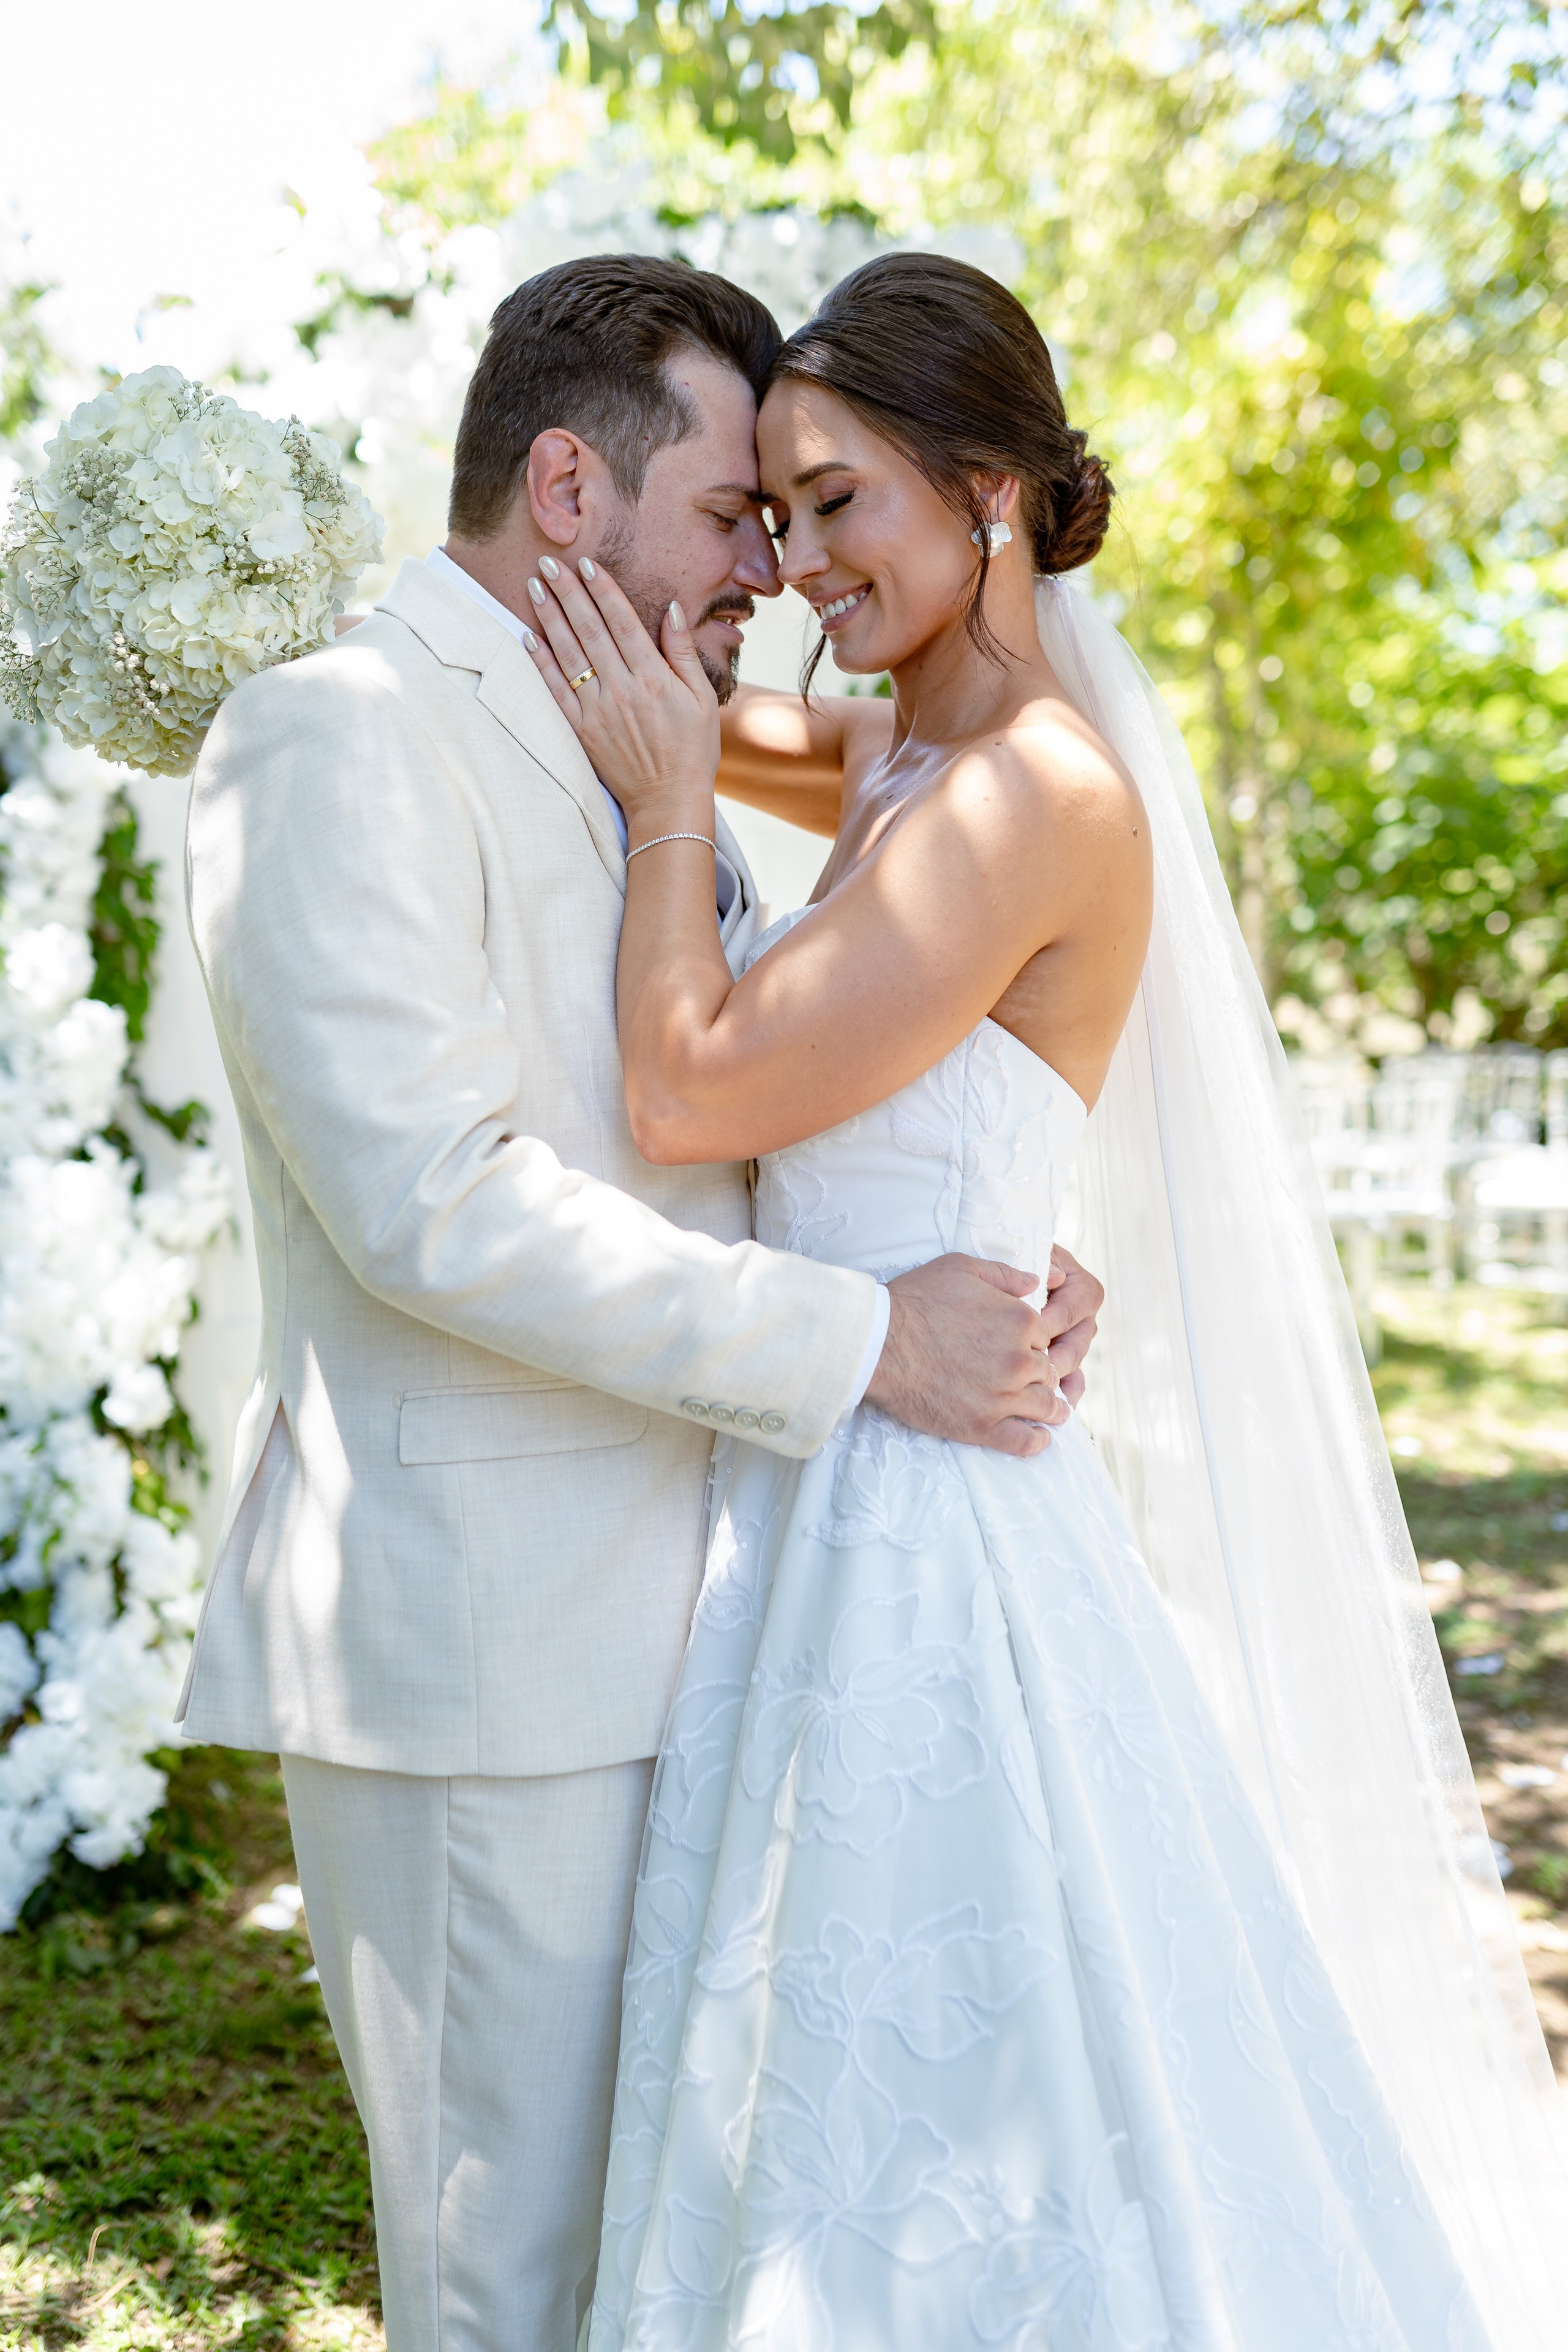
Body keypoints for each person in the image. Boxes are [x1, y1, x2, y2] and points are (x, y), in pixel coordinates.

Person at [522, 251, 1568, 2349]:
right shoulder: (907, 747)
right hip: (836, 1457)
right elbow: (675, 691)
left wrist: (662, 814)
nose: (804, 561)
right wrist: (548, 601)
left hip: (934, 1521)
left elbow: (691, 1077)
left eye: (842, 504)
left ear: (988, 492)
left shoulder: (1032, 790)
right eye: (781, 513)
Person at [175, 252, 1105, 2352]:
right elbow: (436, 1204)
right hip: (484, 1657)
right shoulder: (330, 730)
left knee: (660, 2272)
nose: (771, 574)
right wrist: (876, 1339)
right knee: (513, 2287)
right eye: (734, 517)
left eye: (795, 524)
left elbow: (910, 922)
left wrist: (1000, 1227)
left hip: (725, 1625)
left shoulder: (702, 733)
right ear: (572, 489)